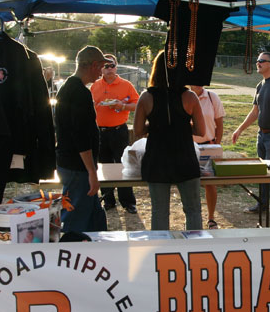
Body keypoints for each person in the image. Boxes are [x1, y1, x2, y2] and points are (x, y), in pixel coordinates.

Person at [134, 51, 205, 231]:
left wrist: (156, 126)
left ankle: (160, 246)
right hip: (185, 158)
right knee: (193, 210)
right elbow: (201, 131)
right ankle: (195, 245)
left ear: (156, 70)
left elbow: (138, 130)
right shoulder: (190, 97)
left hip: (157, 160)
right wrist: (181, 126)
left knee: (159, 212)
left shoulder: (146, 97)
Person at [54, 45, 110, 234]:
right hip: (77, 167)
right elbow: (81, 137)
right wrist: (92, 172)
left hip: (73, 165)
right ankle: (68, 247)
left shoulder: (68, 88)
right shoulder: (79, 93)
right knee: (73, 221)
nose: (101, 73)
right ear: (93, 65)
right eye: (101, 67)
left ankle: (98, 244)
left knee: (95, 218)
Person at [231, 51, 270, 216]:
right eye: (257, 60)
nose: (258, 63)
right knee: (263, 171)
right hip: (262, 135)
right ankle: (262, 203)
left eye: (262, 61)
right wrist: (239, 129)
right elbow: (255, 112)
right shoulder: (260, 85)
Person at [90, 54, 139, 214]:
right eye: (106, 66)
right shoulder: (95, 85)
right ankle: (108, 200)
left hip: (119, 131)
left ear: (116, 67)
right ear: (101, 68)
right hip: (100, 132)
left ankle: (128, 202)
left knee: (123, 165)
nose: (109, 69)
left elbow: (137, 104)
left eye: (112, 65)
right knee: (104, 166)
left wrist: (122, 106)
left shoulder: (126, 85)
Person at [190, 84, 225, 229]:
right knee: (189, 185)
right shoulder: (183, 97)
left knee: (210, 184)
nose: (198, 83)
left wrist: (216, 145)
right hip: (188, 148)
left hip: (208, 147)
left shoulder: (212, 97)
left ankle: (211, 218)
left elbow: (219, 124)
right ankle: (192, 219)